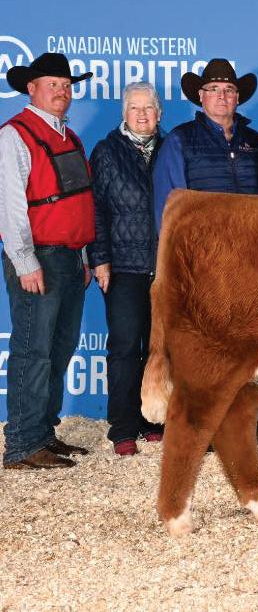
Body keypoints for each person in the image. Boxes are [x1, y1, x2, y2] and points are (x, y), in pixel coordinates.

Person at [153, 57, 258, 444]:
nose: (222, 96)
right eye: (214, 90)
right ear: (200, 97)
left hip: (249, 261)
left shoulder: (253, 141)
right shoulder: (181, 140)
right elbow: (169, 205)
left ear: (238, 97)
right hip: (203, 262)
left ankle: (240, 425)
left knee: (247, 346)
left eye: (229, 90)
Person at [0, 53, 95, 469]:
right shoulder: (14, 135)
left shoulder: (68, 136)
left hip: (70, 256)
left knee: (59, 349)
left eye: (67, 85)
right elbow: (10, 206)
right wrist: (25, 262)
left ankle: (42, 433)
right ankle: (21, 444)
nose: (62, 91)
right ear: (31, 89)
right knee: (33, 349)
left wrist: (84, 255)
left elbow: (78, 201)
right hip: (38, 256)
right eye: (53, 84)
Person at [89, 82, 168, 456]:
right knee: (123, 347)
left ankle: (153, 420)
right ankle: (122, 427)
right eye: (135, 108)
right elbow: (96, 209)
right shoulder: (107, 152)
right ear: (124, 114)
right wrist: (99, 258)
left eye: (148, 108)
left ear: (159, 113)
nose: (142, 114)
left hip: (163, 268)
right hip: (122, 267)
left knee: (158, 348)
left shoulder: (171, 149)